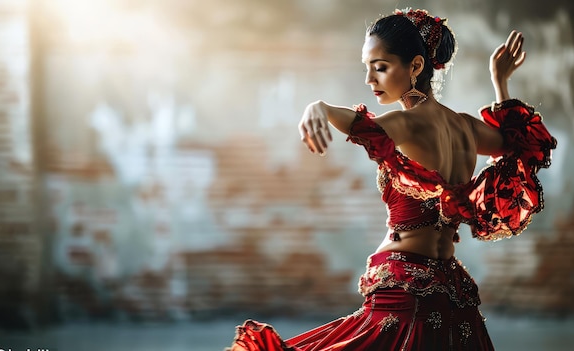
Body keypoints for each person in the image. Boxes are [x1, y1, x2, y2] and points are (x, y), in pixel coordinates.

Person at [228, 7, 556, 351]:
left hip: (403, 288)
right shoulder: (466, 128)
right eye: (367, 68)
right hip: (451, 292)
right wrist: (500, 82)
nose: (370, 80)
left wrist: (319, 107)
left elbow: (358, 125)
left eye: (380, 67)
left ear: (415, 66)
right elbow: (516, 146)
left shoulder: (407, 123)